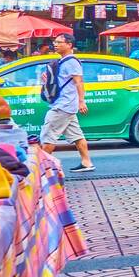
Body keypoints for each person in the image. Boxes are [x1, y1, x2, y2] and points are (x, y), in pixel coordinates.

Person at [39, 33, 94, 173]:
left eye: (59, 42)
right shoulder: (63, 61)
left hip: (62, 106)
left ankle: (42, 169)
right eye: (55, 42)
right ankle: (87, 162)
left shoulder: (72, 62)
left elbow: (79, 82)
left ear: (69, 45)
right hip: (67, 106)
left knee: (48, 136)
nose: (55, 44)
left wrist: (82, 101)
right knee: (77, 135)